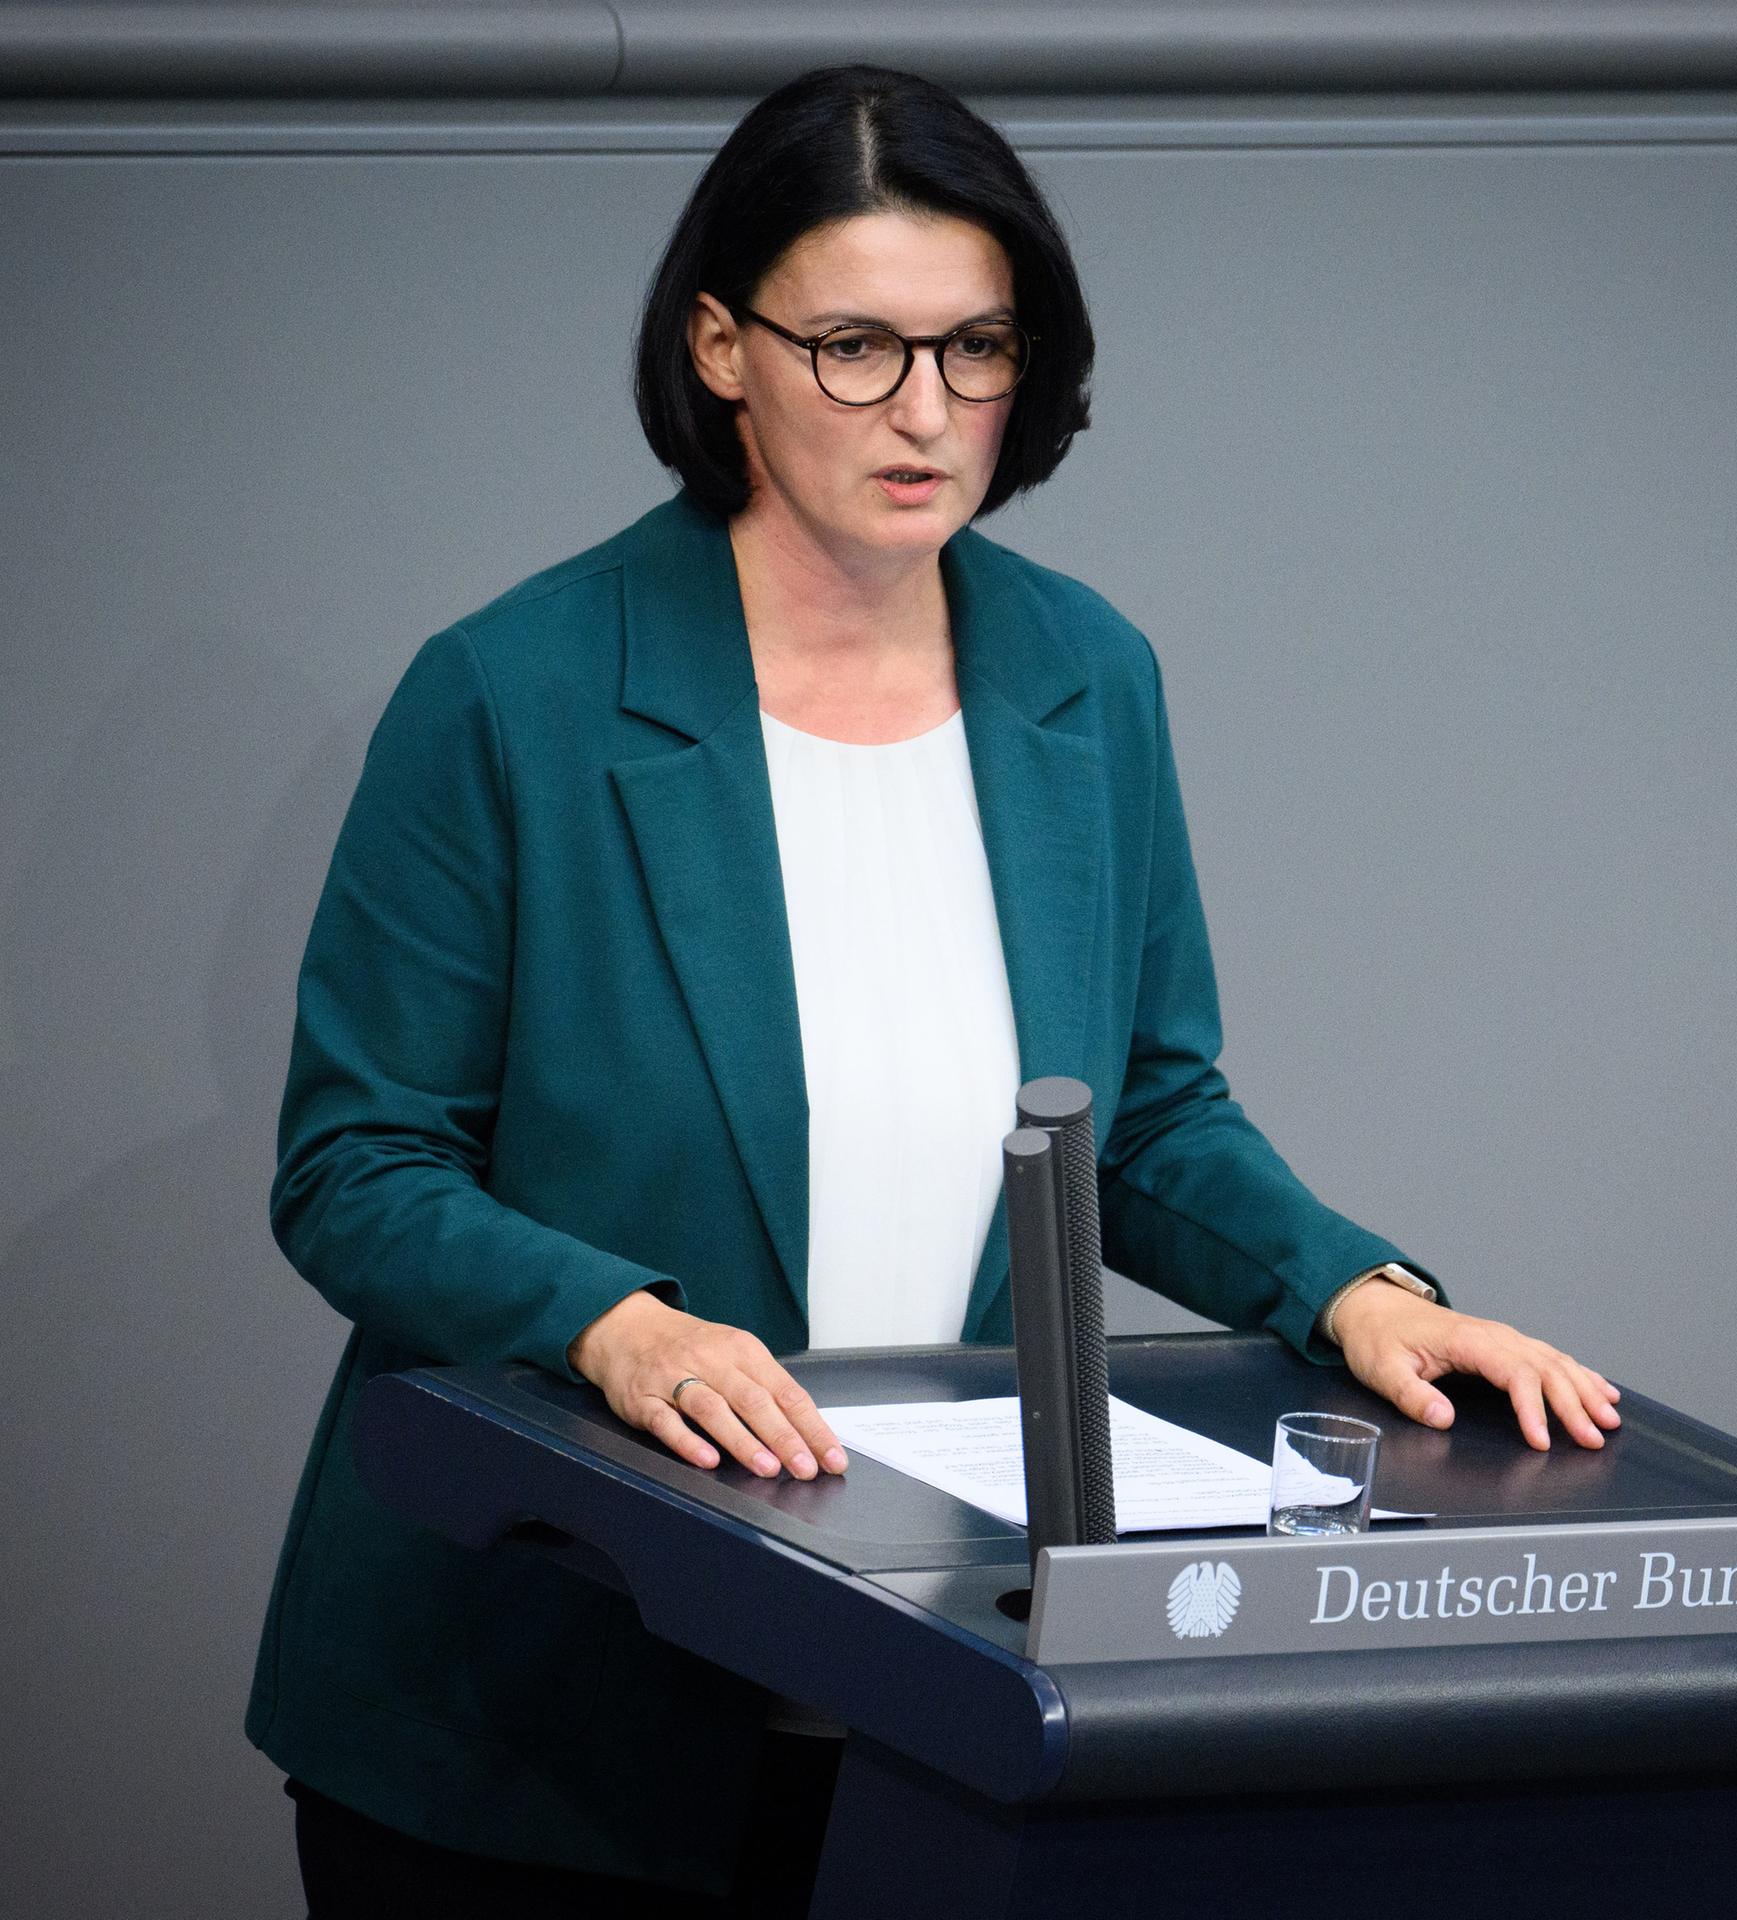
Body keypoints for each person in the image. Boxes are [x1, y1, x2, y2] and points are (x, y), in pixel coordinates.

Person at [246, 61, 1622, 1917]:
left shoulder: (1084, 676)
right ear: (722, 348)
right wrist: (618, 1330)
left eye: (977, 349)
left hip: (939, 1690)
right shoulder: (515, 692)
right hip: (534, 1714)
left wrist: (1355, 1290)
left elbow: (1136, 1112)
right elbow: (359, 1162)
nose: (927, 412)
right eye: (856, 350)